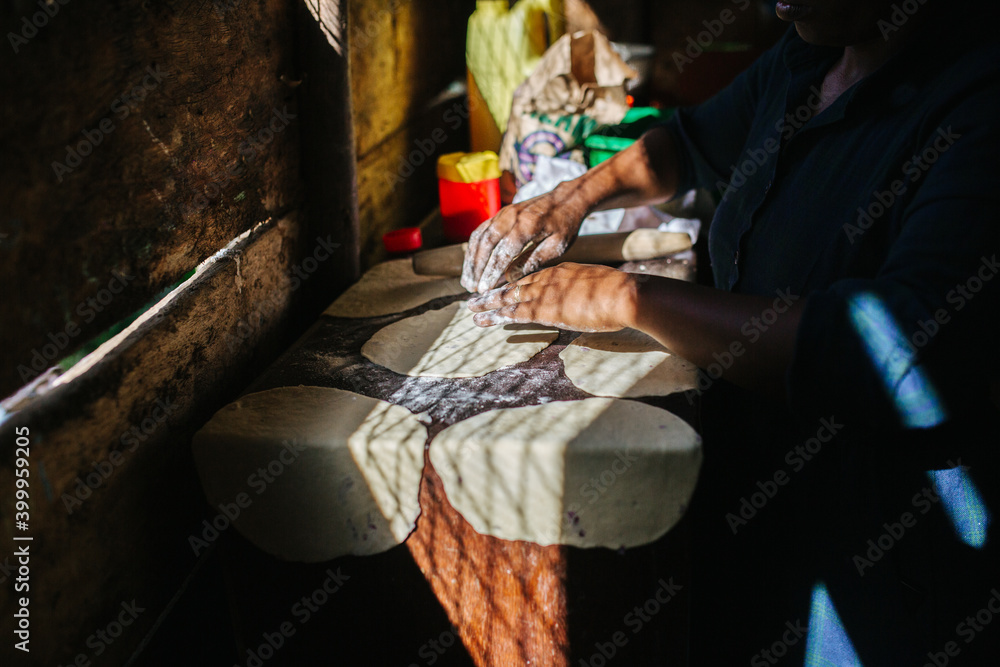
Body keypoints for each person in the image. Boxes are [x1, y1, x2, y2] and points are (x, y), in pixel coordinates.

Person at [463, 1, 1000, 664]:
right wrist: (572, 196)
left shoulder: (976, 106)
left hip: (880, 536)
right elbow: (686, 146)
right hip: (758, 479)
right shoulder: (810, 52)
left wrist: (625, 295)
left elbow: (896, 352)